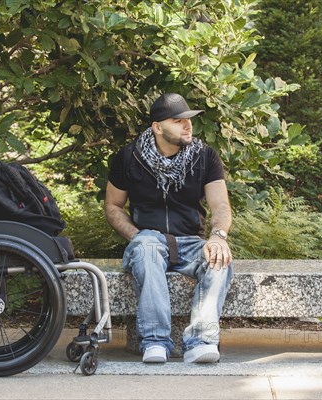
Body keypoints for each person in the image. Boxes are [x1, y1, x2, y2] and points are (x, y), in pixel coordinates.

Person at [104, 93, 234, 364]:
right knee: (148, 248)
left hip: (191, 241)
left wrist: (218, 237)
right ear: (157, 127)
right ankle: (155, 342)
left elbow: (220, 204)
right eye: (178, 121)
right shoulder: (128, 158)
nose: (187, 126)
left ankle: (201, 341)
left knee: (220, 259)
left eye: (188, 120)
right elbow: (113, 207)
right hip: (149, 239)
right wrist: (136, 237)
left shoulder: (205, 156)